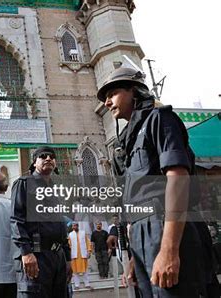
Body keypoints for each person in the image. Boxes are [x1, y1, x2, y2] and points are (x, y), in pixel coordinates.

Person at [98, 66, 219, 297]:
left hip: (168, 227)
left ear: (134, 91)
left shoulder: (160, 120)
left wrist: (169, 250)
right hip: (143, 235)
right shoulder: (127, 143)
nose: (107, 102)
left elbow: (178, 178)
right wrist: (134, 257)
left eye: (112, 94)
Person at [11, 146, 70, 298]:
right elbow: (16, 220)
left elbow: (61, 226)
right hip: (36, 256)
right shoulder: (24, 183)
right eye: (43, 156)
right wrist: (26, 252)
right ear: (34, 162)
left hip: (58, 258)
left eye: (51, 156)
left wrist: (67, 258)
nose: (48, 158)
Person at [68, 222, 92, 290]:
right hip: (74, 255)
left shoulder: (83, 233)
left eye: (75, 226)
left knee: (85, 270)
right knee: (75, 271)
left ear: (77, 226)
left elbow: (88, 242)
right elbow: (69, 245)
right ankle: (76, 285)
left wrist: (89, 251)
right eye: (73, 226)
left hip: (83, 254)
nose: (74, 227)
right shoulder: (70, 235)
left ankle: (87, 284)